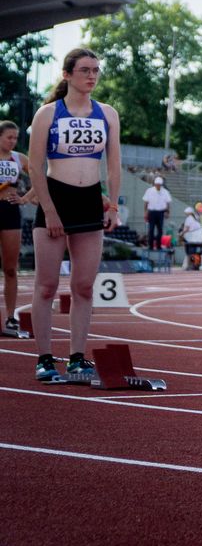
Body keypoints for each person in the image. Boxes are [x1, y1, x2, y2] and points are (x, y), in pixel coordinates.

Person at [21, 47, 120, 382]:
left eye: (96, 70)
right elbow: (34, 166)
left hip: (90, 200)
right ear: (67, 75)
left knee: (84, 286)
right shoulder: (48, 114)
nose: (91, 76)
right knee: (46, 286)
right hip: (56, 198)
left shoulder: (107, 114)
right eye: (84, 70)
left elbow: (114, 164)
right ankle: (44, 358)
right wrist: (48, 210)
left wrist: (115, 205)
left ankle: (77, 357)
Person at [0, 121, 26, 336]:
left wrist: (25, 198)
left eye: (15, 138)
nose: (12, 141)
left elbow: (41, 177)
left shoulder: (19, 159)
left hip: (10, 212)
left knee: (10, 268)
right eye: (9, 137)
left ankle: (10, 317)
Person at [142, 174, 173, 250]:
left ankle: (159, 245)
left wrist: (167, 212)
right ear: (155, 184)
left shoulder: (165, 192)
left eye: (159, 185)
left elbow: (168, 203)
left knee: (160, 230)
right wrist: (145, 212)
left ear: (161, 185)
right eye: (157, 185)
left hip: (160, 212)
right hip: (151, 212)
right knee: (151, 229)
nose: (158, 186)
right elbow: (146, 202)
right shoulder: (149, 191)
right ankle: (151, 245)